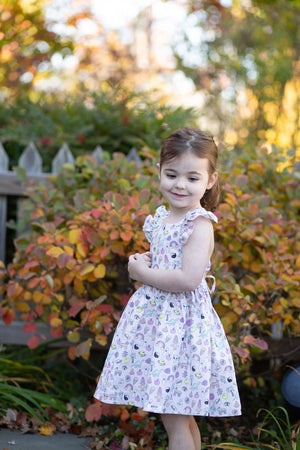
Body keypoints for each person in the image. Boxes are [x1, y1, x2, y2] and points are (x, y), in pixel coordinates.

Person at [94, 127, 241, 449]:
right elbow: (169, 259)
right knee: (178, 415)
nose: (180, 185)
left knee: (175, 416)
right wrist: (148, 259)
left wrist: (141, 273)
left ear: (210, 180)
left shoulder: (199, 224)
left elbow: (188, 279)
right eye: (172, 174)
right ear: (159, 171)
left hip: (180, 331)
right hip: (160, 327)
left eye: (192, 178)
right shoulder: (163, 218)